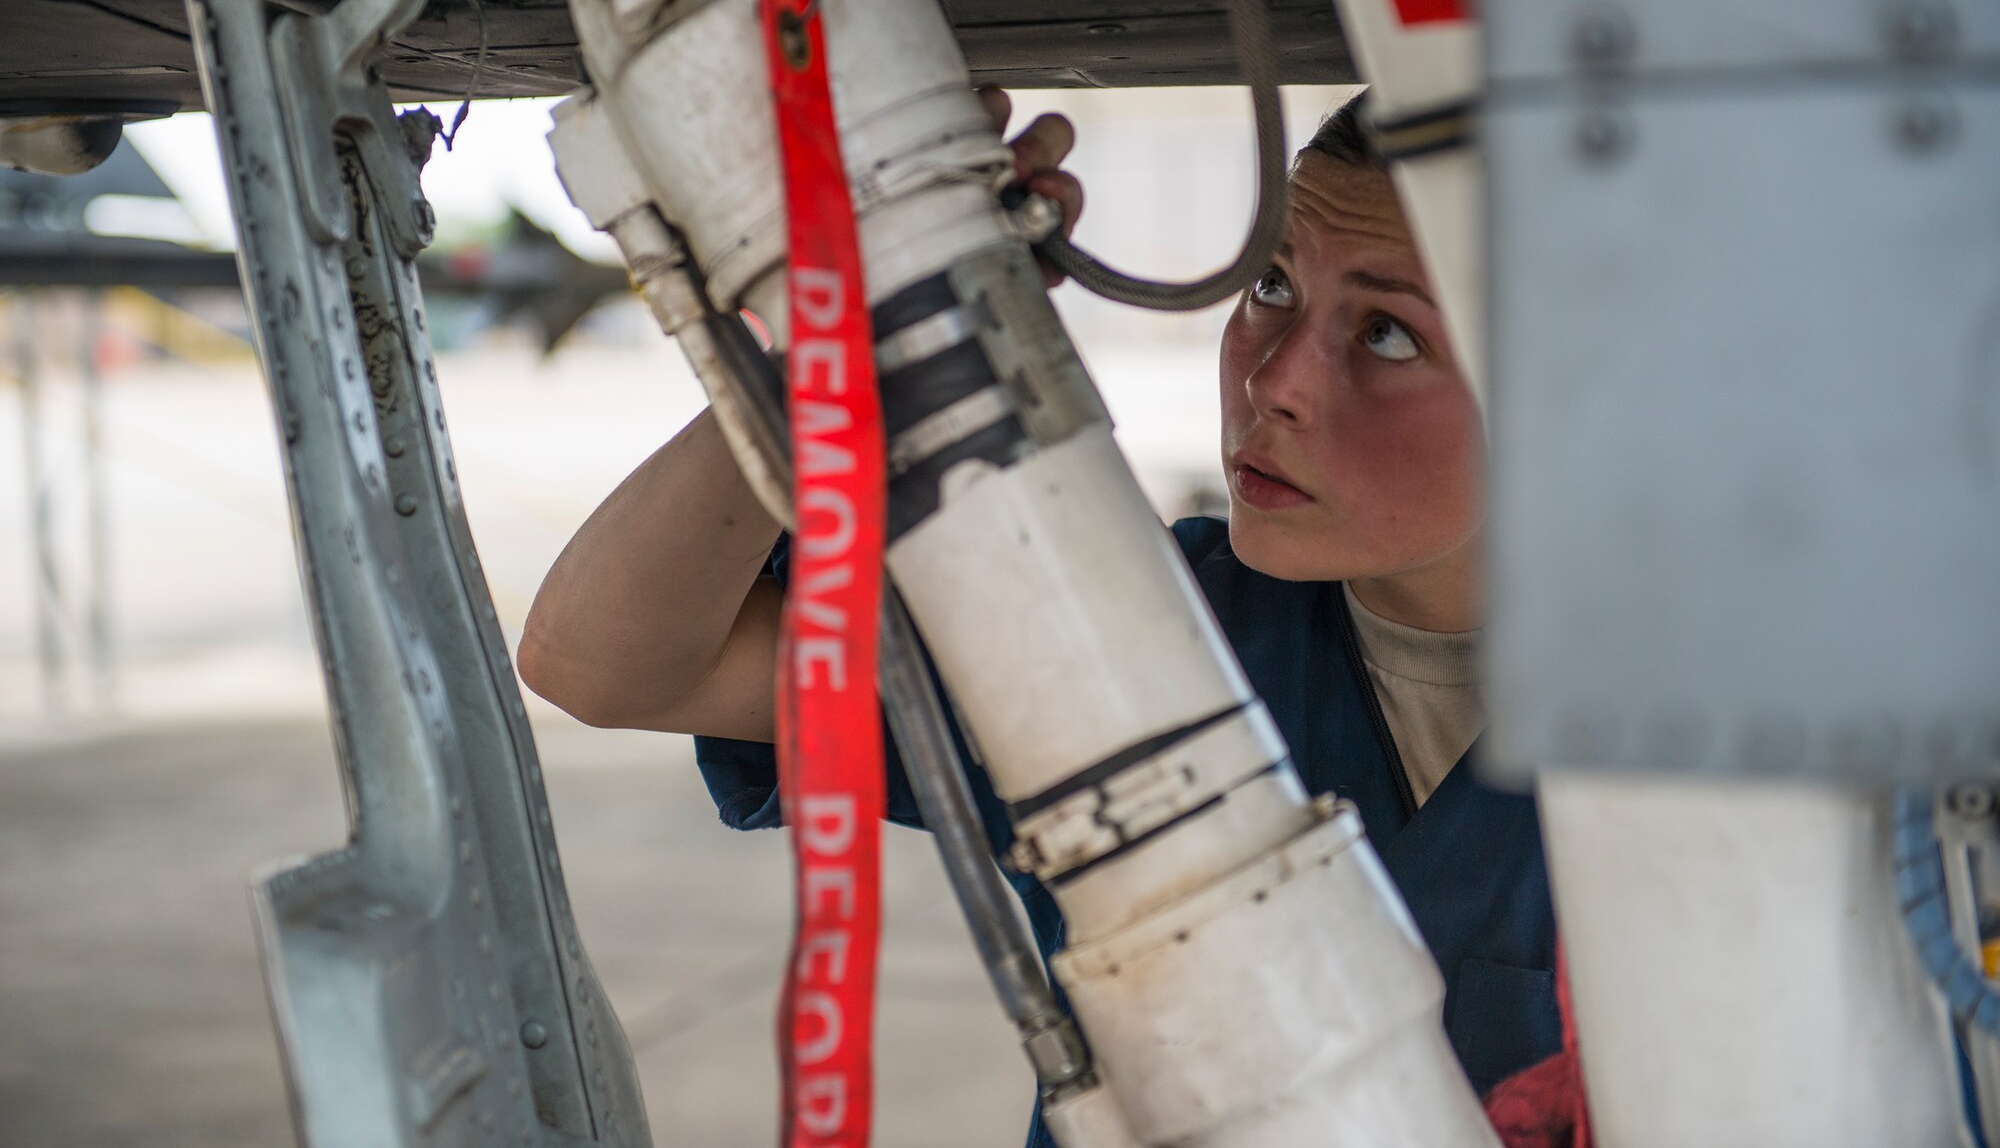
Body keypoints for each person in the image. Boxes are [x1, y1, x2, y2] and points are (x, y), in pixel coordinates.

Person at [519, 89, 1564, 1146]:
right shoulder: (1132, 623)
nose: (1272, 378)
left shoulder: (1697, 736)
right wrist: (841, 331)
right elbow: (601, 665)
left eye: (1387, 334)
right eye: (1269, 283)